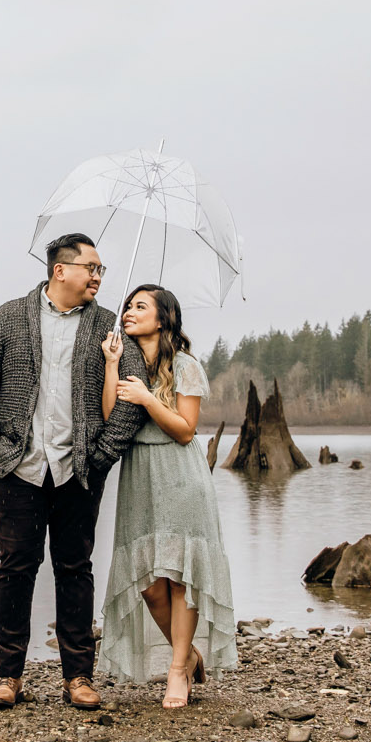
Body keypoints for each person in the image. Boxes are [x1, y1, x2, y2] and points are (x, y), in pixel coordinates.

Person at [0, 232, 147, 712]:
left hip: (78, 471)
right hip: (18, 469)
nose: (99, 276)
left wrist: (103, 454)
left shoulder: (110, 328)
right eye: (92, 267)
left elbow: (133, 392)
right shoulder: (9, 318)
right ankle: (7, 677)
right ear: (60, 270)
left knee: (75, 570)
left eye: (102, 269)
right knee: (15, 569)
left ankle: (78, 678)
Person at [96, 283, 236, 708]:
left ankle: (177, 671)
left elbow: (185, 429)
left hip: (179, 474)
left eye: (140, 306)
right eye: (127, 306)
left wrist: (146, 397)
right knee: (149, 584)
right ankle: (190, 654)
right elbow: (109, 417)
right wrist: (111, 367)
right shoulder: (129, 361)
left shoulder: (187, 365)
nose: (128, 312)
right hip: (140, 473)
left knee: (180, 579)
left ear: (163, 318)